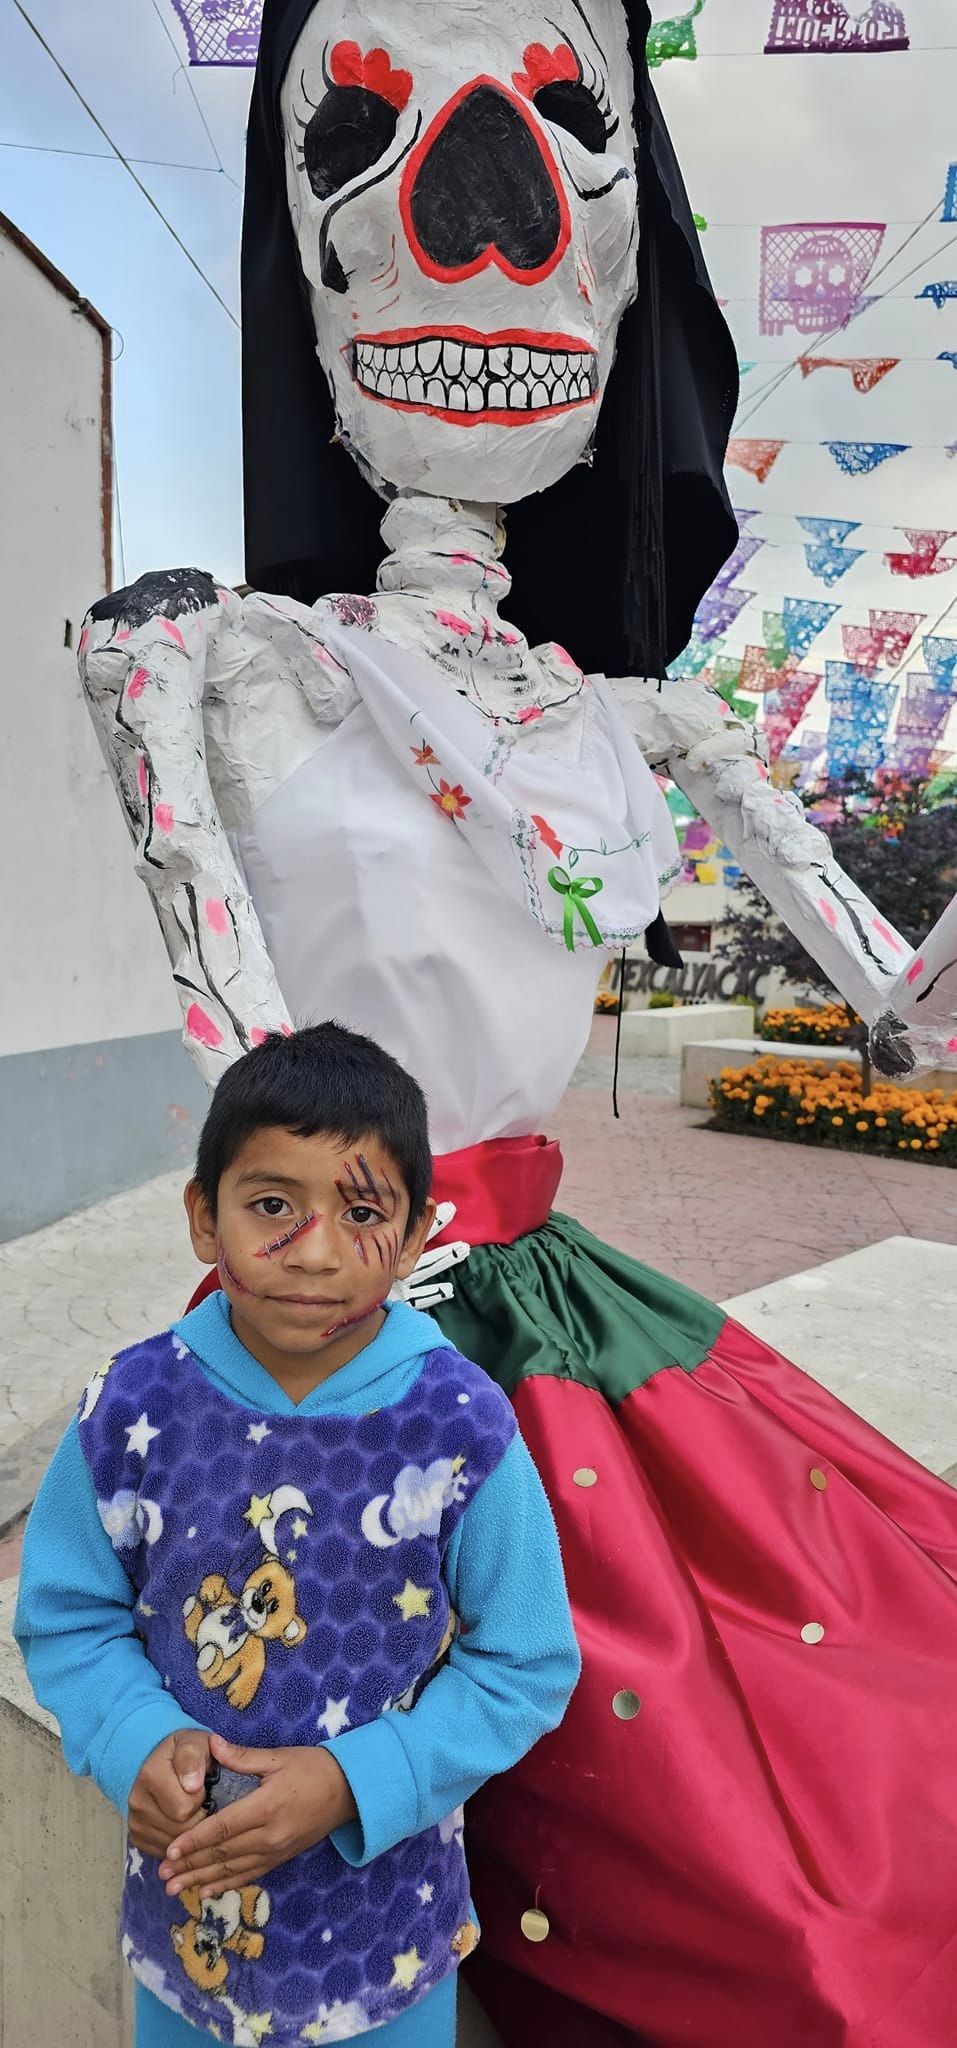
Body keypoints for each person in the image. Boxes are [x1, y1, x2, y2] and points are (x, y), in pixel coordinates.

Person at [77, 3, 957, 2042]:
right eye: (377, 137)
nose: (485, 222)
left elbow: (878, 978)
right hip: (332, 1295)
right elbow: (231, 1001)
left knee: (826, 1711)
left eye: (563, 134)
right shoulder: (225, 666)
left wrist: (901, 993)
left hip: (549, 1298)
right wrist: (299, 1279)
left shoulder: (619, 712)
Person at [14, 1023, 581, 2048]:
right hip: (183, 1948)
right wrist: (135, 1736)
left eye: (361, 1211)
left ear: (416, 1237)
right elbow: (68, 1614)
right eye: (272, 1203)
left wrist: (357, 1780)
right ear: (203, 1215)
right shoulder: (131, 1404)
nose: (313, 1249)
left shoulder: (459, 1424)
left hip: (386, 1959)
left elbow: (527, 1661)